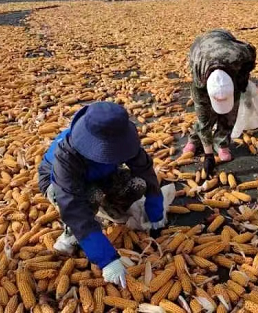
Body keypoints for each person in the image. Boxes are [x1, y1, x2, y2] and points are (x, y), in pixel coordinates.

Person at [38, 102, 164, 288]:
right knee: (92, 196)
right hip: (61, 185)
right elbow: (72, 206)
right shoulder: (66, 155)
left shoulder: (122, 139)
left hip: (102, 174)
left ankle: (111, 210)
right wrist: (106, 259)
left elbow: (145, 171)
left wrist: (155, 211)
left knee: (138, 184)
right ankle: (72, 234)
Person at [183, 29, 257, 175]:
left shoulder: (239, 54)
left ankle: (221, 143)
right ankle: (194, 139)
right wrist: (208, 155)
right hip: (201, 47)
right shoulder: (199, 81)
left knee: (231, 113)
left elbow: (251, 51)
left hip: (225, 42)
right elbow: (203, 120)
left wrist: (244, 74)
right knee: (206, 116)